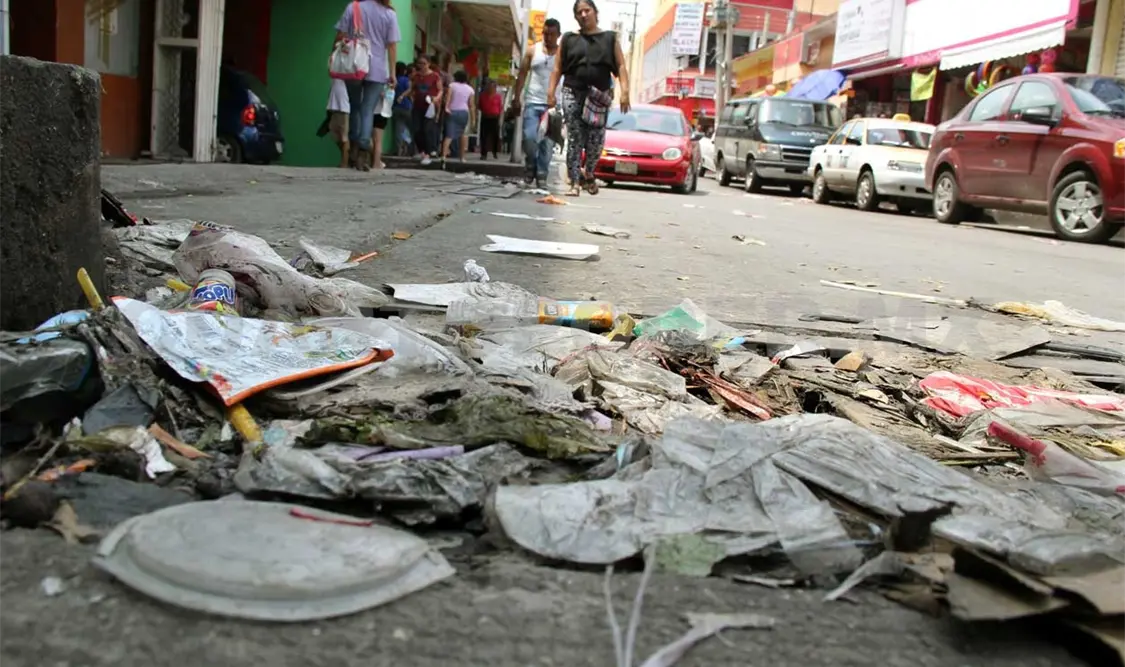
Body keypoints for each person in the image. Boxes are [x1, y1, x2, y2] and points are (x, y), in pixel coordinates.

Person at [548, 0, 629, 196]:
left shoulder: (610, 39)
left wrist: (625, 91)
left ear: (595, 12)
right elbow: (558, 67)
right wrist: (551, 92)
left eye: (587, 10)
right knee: (575, 137)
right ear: (576, 17)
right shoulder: (568, 39)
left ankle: (589, 172)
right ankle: (574, 182)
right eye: (579, 12)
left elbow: (620, 66)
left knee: (595, 141)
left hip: (598, 97)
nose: (584, 15)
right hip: (572, 92)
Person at [333, 0, 400, 171]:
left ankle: (355, 147)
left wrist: (334, 56)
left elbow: (340, 35)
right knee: (367, 109)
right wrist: (392, 72)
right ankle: (363, 148)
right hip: (377, 68)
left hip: (354, 65)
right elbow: (392, 46)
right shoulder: (389, 14)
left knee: (354, 106)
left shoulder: (353, 7)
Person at [510, 18, 561, 188]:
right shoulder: (532, 51)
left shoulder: (563, 55)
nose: (548, 37)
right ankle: (530, 166)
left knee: (547, 143)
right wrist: (516, 98)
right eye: (545, 33)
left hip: (553, 106)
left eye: (552, 34)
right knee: (529, 138)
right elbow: (522, 75)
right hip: (532, 102)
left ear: (558, 35)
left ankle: (541, 175)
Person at [410, 54, 442, 165]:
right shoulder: (416, 76)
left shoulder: (435, 76)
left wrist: (436, 99)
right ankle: (422, 151)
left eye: (424, 63)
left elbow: (440, 90)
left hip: (430, 107)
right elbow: (412, 88)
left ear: (429, 64)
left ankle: (428, 154)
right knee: (416, 130)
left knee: (427, 130)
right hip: (417, 106)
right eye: (420, 63)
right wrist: (407, 96)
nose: (422, 66)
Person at [442, 70, 474, 163]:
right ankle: (462, 157)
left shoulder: (452, 85)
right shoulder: (470, 89)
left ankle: (443, 156)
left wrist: (446, 107)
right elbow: (471, 105)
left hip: (452, 111)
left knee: (449, 135)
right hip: (464, 112)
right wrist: (473, 119)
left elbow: (448, 97)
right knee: (463, 135)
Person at [325, 78, 351, 168]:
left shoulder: (343, 72)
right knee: (334, 134)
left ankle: (345, 163)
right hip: (334, 107)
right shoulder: (334, 75)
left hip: (343, 107)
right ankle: (347, 157)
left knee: (344, 137)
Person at [392, 62, 413, 156]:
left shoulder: (393, 80)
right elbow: (411, 90)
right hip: (407, 107)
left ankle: (399, 149)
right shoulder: (406, 80)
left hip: (396, 107)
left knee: (398, 129)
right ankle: (408, 146)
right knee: (409, 129)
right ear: (404, 71)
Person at [478, 79, 503, 159]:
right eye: (488, 86)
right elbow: (480, 106)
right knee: (484, 136)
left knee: (495, 136)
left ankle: (495, 152)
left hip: (494, 118)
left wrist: (500, 117)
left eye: (491, 87)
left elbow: (500, 108)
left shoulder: (498, 97)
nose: (489, 88)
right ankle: (483, 154)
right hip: (485, 117)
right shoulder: (482, 95)